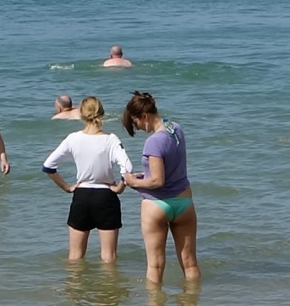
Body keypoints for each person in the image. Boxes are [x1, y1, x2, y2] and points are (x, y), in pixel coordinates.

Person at [120, 91, 200, 282]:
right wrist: (144, 174)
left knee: (155, 265)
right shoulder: (176, 129)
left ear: (145, 116)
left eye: (136, 123)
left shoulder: (153, 142)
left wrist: (132, 181)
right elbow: (170, 167)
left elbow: (157, 181)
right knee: (190, 263)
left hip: (158, 205)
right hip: (184, 202)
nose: (138, 128)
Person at [42, 96, 133, 262]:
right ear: (102, 114)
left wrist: (67, 187)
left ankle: (75, 288)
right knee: (108, 258)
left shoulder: (73, 138)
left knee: (75, 257)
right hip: (106, 197)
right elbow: (127, 168)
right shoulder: (111, 140)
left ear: (81, 115)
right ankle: (109, 288)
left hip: (81, 196)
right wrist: (120, 188)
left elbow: (48, 166)